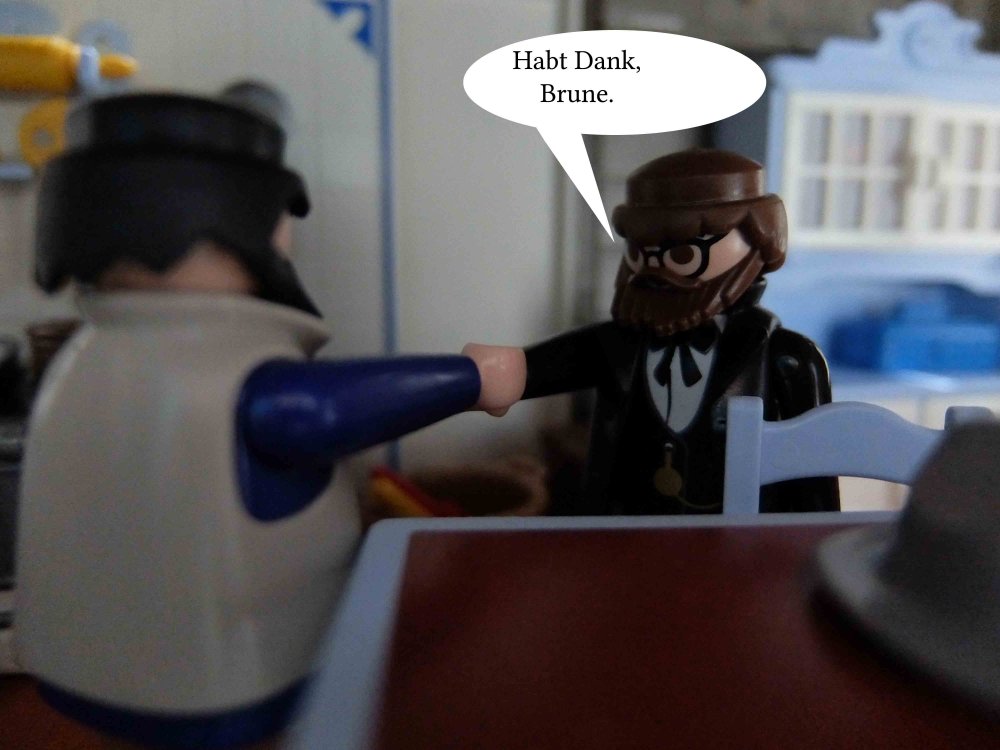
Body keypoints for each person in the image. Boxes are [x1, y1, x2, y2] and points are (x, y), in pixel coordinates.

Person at [16, 91, 499, 748]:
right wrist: (475, 378)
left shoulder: (81, 359)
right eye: (279, 220)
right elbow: (322, 410)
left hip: (78, 669)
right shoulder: (232, 369)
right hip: (229, 681)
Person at [467, 149, 839, 515]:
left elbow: (815, 480)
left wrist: (815, 538)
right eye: (640, 253)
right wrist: (495, 373)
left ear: (759, 237)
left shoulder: (786, 357)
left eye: (684, 254)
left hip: (735, 539)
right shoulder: (618, 343)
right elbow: (543, 366)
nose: (655, 271)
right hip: (624, 527)